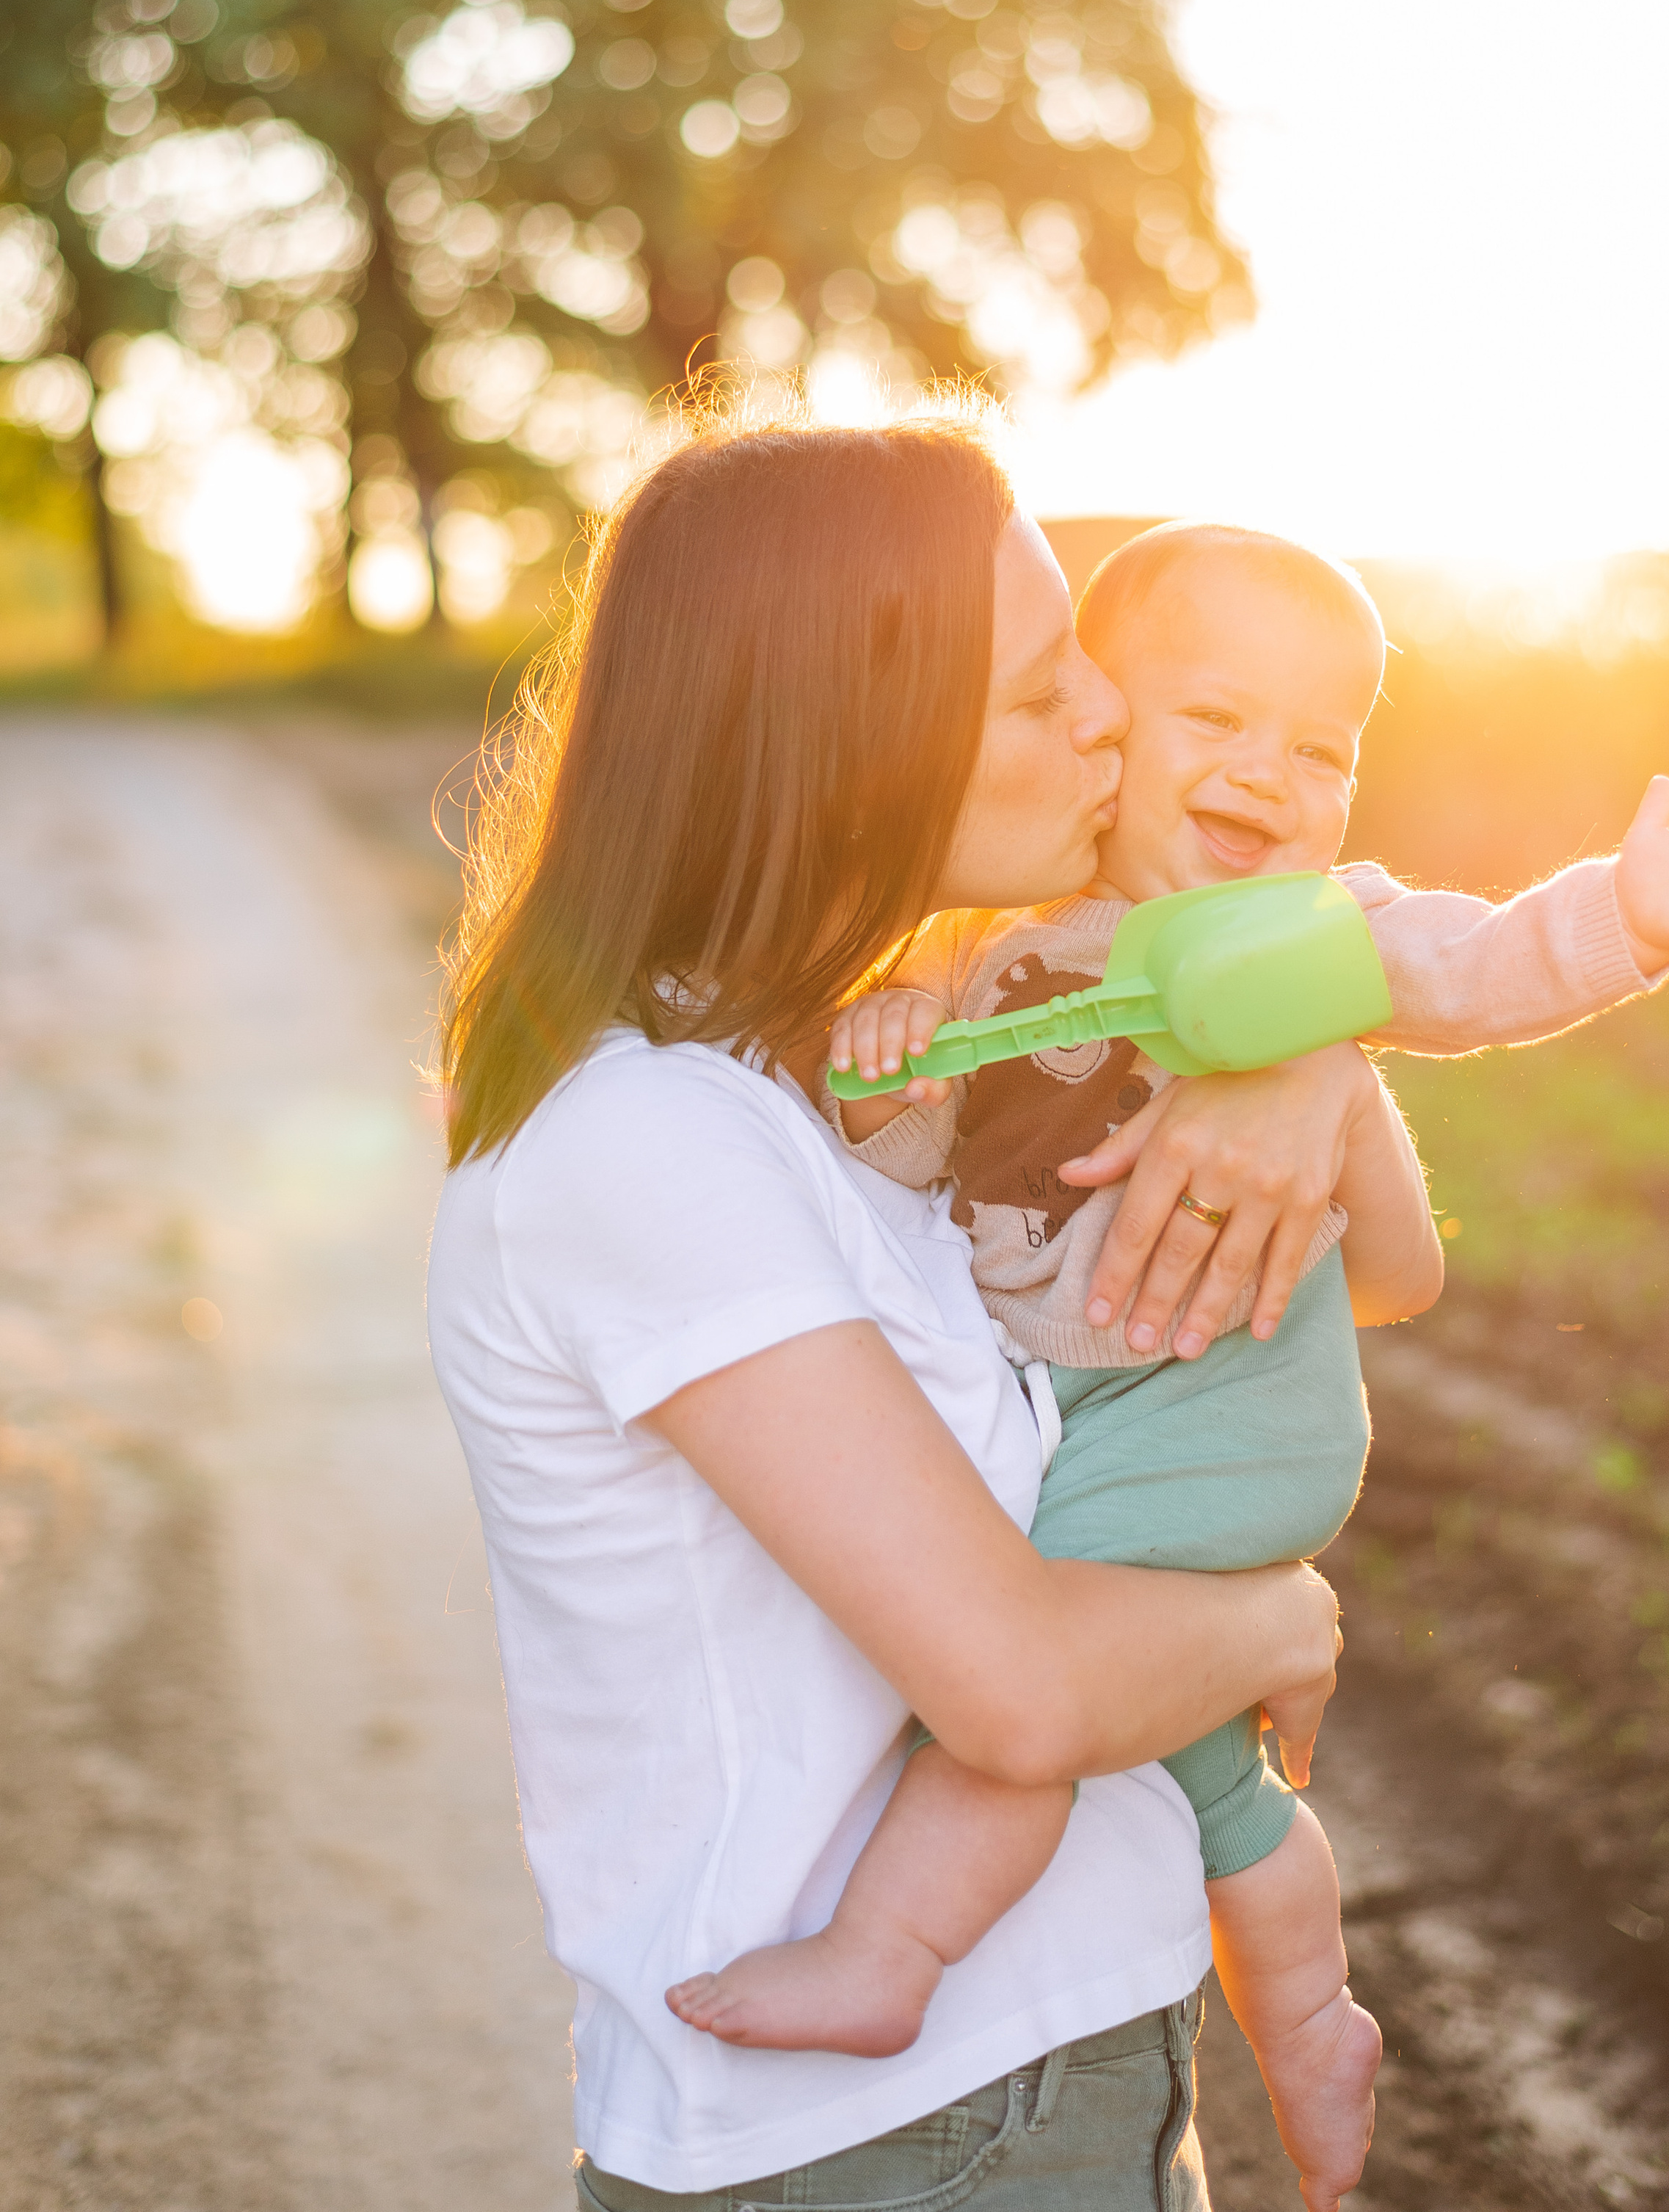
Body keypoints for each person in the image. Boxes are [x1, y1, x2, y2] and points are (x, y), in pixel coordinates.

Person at [667, 520, 1669, 2212]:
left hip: (1221, 1410)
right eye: (1213, 722)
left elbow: (1479, 961)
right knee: (1203, 1760)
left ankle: (889, 1947)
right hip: (1115, 1397)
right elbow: (905, 1181)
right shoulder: (1003, 959)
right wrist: (882, 1058)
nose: (1267, 774)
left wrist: (1626, 916)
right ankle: (1311, 2026)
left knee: (1016, 1667)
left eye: (1320, 746)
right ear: (1101, 728)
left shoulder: (1312, 934)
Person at [429, 413, 1435, 2212]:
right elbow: (1021, 1690)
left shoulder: (843, 1072)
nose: (1110, 723)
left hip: (1034, 2078)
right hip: (918, 2142)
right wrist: (1278, 1613)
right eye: (1049, 691)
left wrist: (1305, 1064)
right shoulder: (647, 1140)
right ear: (849, 748)